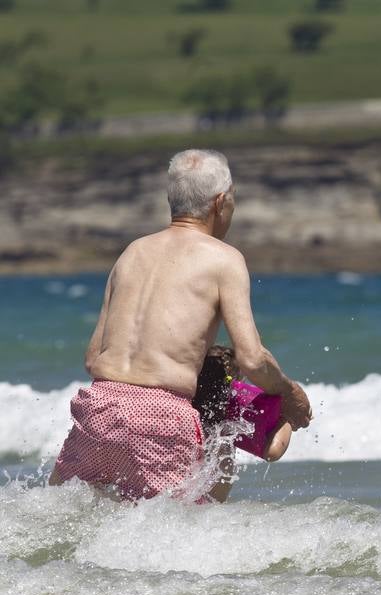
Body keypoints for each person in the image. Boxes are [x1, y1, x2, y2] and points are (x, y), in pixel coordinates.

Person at [49, 148, 311, 501]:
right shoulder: (225, 259)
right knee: (184, 532)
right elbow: (251, 359)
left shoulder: (132, 252)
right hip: (160, 415)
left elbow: (93, 356)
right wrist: (289, 391)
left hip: (98, 406)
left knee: (62, 513)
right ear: (220, 202)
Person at [193, 345, 293, 503]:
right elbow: (272, 453)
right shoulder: (230, 422)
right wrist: (287, 421)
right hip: (209, 510)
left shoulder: (188, 416)